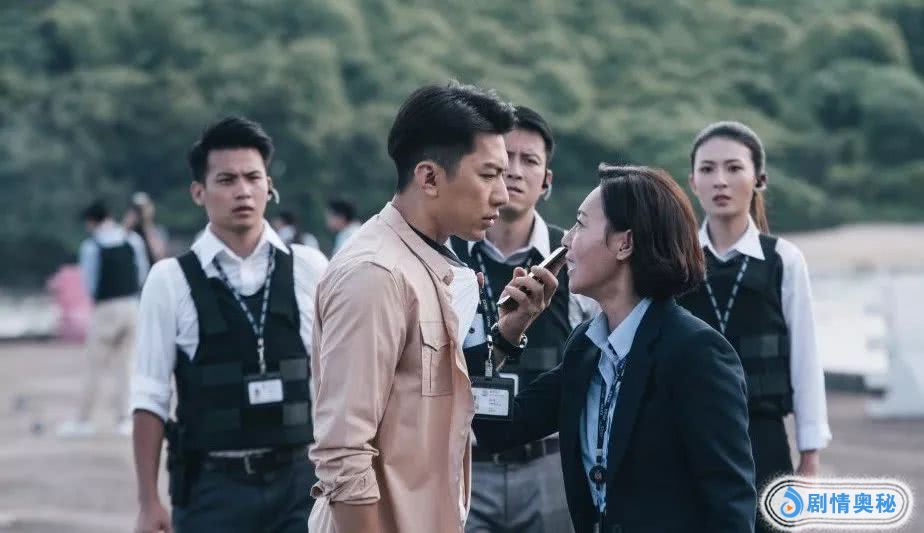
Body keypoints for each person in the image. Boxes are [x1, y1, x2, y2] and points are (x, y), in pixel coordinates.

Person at [308, 82, 560, 533]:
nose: (502, 194)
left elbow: (430, 387)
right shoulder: (376, 274)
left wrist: (506, 334)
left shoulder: (432, 260)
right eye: (488, 175)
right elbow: (344, 452)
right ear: (428, 178)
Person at [473, 165, 757, 533]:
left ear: (624, 243)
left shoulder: (697, 353)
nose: (566, 240)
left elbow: (731, 506)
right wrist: (506, 336)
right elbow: (497, 432)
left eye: (580, 224)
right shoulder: (586, 348)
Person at [130, 116, 329, 533]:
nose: (242, 190)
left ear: (268, 186)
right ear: (198, 192)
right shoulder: (170, 280)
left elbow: (340, 377)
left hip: (301, 483)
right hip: (212, 489)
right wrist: (148, 502)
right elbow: (150, 395)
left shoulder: (309, 268)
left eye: (252, 177)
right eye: (226, 179)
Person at [678, 121, 831, 532]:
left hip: (763, 439)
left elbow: (806, 360)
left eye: (733, 168)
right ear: (692, 182)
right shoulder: (678, 262)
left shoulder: (783, 259)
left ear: (759, 179)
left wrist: (810, 457)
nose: (720, 180)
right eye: (707, 169)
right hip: (686, 439)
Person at [451, 105, 593, 533]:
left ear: (546, 180)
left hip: (549, 465)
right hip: (464, 466)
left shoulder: (577, 258)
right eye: (502, 159)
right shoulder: (448, 255)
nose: (513, 171)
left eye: (528, 160)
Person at [56, 200, 149, 438]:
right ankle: (124, 420)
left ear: (91, 222)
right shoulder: (132, 240)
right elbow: (142, 273)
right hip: (132, 305)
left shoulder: (91, 246)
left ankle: (84, 420)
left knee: (94, 367)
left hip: (106, 308)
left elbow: (89, 282)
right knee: (126, 367)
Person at [123, 191, 169, 264]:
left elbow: (159, 256)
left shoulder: (158, 230)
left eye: (142, 209)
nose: (140, 212)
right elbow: (119, 244)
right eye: (137, 209)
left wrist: (147, 224)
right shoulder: (130, 231)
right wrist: (127, 224)